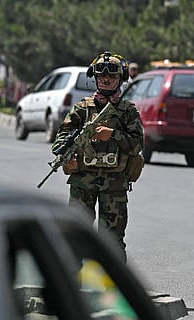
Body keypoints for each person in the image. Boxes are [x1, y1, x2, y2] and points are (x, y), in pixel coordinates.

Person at [51, 51, 144, 261]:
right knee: (74, 236)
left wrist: (113, 135)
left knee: (111, 241)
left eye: (111, 76)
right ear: (95, 78)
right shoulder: (82, 109)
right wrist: (68, 157)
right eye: (102, 76)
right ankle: (70, 288)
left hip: (114, 184)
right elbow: (61, 139)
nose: (106, 80)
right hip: (83, 182)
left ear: (120, 78)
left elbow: (137, 144)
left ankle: (112, 288)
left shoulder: (127, 112)